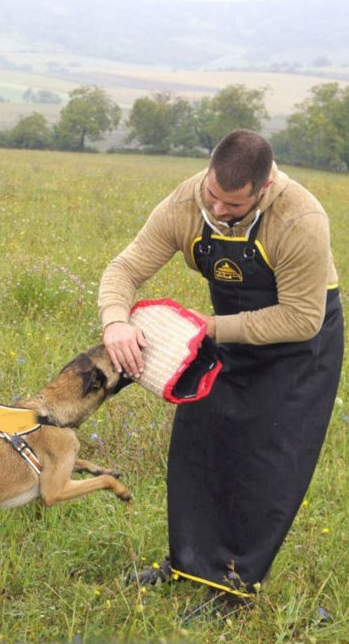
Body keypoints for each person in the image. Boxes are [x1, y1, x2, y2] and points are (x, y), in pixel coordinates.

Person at [98, 129, 343, 615]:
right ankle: (186, 560)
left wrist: (204, 327)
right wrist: (116, 322)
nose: (218, 210)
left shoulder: (300, 218)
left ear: (265, 187)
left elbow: (300, 317)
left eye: (233, 205)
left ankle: (234, 584)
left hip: (298, 349)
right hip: (223, 335)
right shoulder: (186, 204)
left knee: (267, 462)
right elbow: (124, 270)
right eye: (213, 195)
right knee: (199, 440)